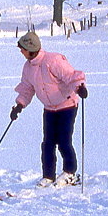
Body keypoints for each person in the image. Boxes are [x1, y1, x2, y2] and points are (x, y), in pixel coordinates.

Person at [10, 31, 88, 187]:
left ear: (31, 49)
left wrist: (79, 87)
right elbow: (27, 88)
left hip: (67, 105)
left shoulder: (53, 60)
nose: (21, 52)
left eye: (22, 49)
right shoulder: (28, 67)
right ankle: (48, 176)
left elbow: (70, 75)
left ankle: (70, 173)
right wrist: (19, 105)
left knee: (64, 140)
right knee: (48, 143)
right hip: (49, 108)